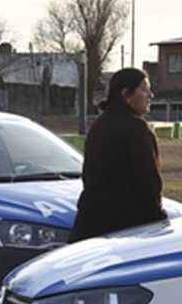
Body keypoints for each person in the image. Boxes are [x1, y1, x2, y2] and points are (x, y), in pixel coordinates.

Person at [69, 67, 165, 243]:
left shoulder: (99, 125)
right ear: (126, 94)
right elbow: (148, 182)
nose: (150, 95)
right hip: (125, 229)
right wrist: (158, 218)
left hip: (88, 225)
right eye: (144, 89)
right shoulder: (136, 128)